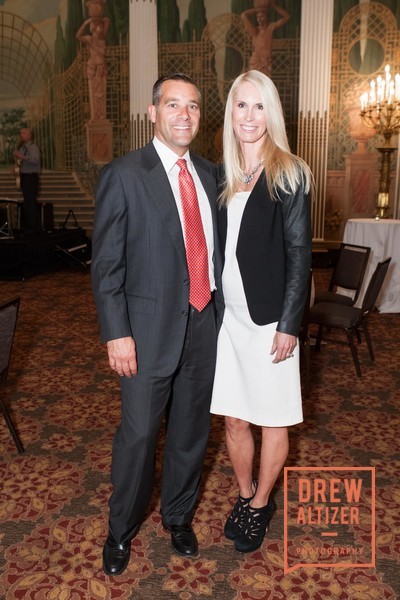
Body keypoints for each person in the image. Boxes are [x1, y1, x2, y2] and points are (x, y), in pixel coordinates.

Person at [91, 73, 223, 576]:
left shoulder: (211, 174)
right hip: (143, 334)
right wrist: (116, 332)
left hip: (204, 324)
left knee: (191, 434)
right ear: (154, 113)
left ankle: (178, 517)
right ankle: (120, 529)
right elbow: (106, 264)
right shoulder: (125, 174)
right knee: (140, 436)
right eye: (173, 105)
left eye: (192, 106)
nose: (184, 115)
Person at [210, 70, 312, 553]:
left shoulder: (289, 171)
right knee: (233, 419)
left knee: (272, 419)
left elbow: (299, 254)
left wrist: (289, 324)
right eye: (240, 105)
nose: (249, 116)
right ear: (230, 112)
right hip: (229, 321)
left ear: (271, 112)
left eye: (258, 106)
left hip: (271, 320)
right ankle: (246, 494)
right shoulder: (224, 175)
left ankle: (260, 504)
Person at [241, 2, 290, 77]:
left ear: (266, 17)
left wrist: (274, 6)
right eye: (258, 17)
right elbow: (243, 15)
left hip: (267, 62)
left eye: (262, 16)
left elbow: (286, 17)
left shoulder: (270, 28)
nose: (259, 19)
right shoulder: (255, 31)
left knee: (266, 85)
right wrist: (257, 9)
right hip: (256, 62)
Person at [76, 15, 110, 120]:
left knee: (102, 95)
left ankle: (101, 115)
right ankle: (94, 116)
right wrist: (86, 23)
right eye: (99, 26)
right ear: (94, 28)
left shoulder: (102, 39)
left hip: (101, 70)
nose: (101, 28)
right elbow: (78, 36)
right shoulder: (90, 39)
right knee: (93, 94)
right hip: (93, 70)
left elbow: (107, 20)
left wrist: (98, 18)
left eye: (101, 26)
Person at [13, 128, 41, 235]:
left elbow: (35, 160)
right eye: (21, 133)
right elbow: (24, 162)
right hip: (26, 177)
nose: (21, 135)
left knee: (30, 203)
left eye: (24, 133)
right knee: (29, 203)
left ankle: (33, 228)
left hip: (31, 178)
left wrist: (22, 157)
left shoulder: (32, 147)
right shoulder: (23, 148)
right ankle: (34, 227)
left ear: (29, 135)